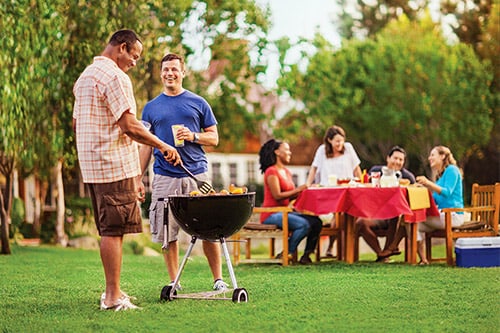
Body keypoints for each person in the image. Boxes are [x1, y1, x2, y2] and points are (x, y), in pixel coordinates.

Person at [73, 30, 181, 311]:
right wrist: (163, 145)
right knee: (114, 230)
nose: (134, 62)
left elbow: (76, 125)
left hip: (93, 165)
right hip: (112, 164)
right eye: (134, 56)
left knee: (109, 228)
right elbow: (130, 126)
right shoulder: (115, 77)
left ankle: (114, 291)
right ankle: (112, 297)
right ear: (122, 48)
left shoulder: (85, 76)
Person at [138, 53, 228, 291]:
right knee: (168, 231)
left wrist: (193, 136)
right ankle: (174, 281)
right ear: (160, 73)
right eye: (166, 69)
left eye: (174, 69)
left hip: (197, 174)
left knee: (208, 228)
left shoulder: (198, 103)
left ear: (183, 72)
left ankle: (218, 279)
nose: (170, 73)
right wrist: (137, 178)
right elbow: (146, 145)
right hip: (164, 175)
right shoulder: (151, 108)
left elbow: (215, 138)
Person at [259, 139, 323, 264]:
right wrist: (299, 189)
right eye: (286, 150)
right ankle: (286, 253)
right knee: (303, 224)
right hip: (271, 214)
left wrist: (307, 190)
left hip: (285, 212)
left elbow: (291, 196)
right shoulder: (271, 171)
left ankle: (306, 255)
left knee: (316, 222)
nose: (290, 152)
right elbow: (277, 196)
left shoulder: (287, 172)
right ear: (277, 152)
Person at [305, 125, 362, 257]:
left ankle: (336, 248)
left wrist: (360, 183)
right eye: (337, 141)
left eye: (341, 140)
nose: (340, 144)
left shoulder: (348, 148)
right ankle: (332, 247)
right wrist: (308, 184)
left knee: (343, 216)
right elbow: (314, 169)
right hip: (328, 193)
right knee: (337, 217)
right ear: (329, 140)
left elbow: (356, 168)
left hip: (347, 192)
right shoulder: (322, 150)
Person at [354, 146, 416, 262]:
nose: (397, 162)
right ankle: (381, 253)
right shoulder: (376, 171)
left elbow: (413, 199)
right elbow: (365, 190)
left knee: (395, 214)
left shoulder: (408, 177)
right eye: (395, 158)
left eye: (401, 160)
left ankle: (387, 250)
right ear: (388, 158)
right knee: (360, 222)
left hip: (395, 218)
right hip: (376, 215)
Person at [415, 145, 465, 265]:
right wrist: (422, 189)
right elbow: (434, 201)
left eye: (433, 155)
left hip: (453, 216)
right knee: (411, 222)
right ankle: (423, 259)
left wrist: (428, 183)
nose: (429, 158)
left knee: (413, 221)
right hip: (443, 216)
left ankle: (420, 258)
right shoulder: (440, 177)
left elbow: (447, 192)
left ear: (442, 156)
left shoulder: (452, 170)